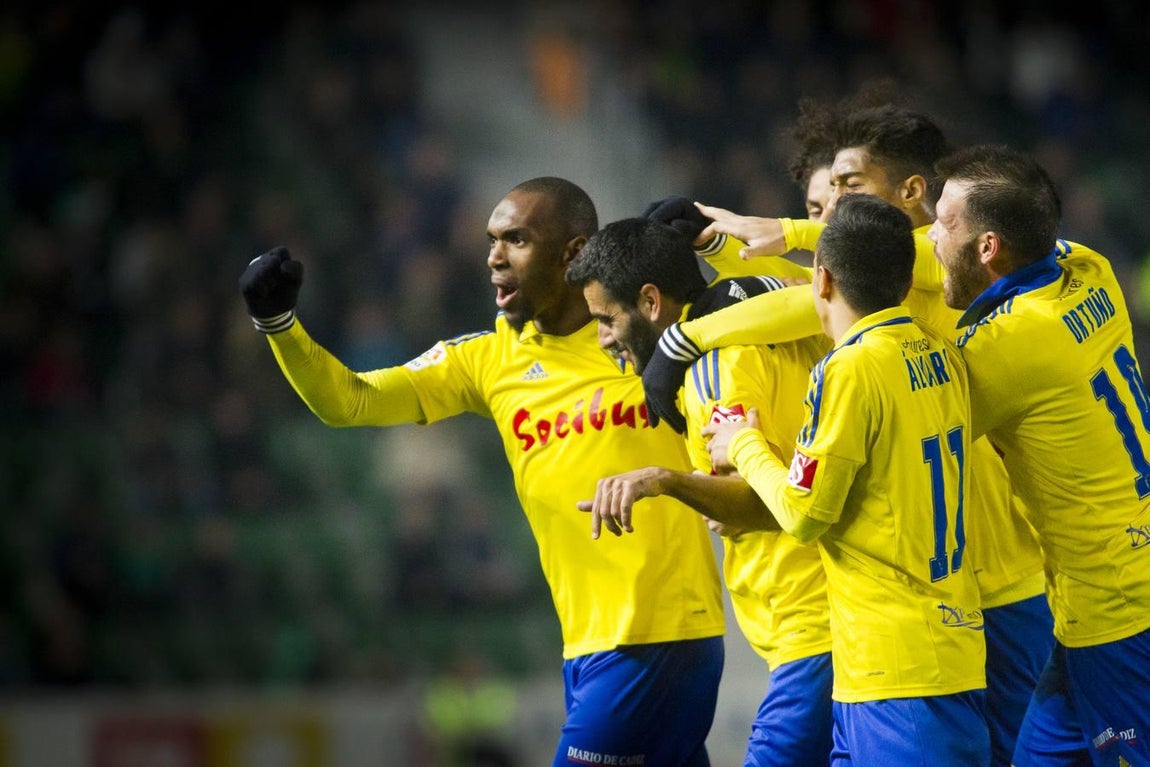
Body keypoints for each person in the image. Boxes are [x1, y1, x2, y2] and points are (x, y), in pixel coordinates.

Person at [238, 177, 726, 767]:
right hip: (588, 645)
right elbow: (353, 401)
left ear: (573, 252)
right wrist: (280, 326)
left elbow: (790, 313)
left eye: (515, 240)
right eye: (492, 240)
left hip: (658, 634)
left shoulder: (645, 332)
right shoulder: (487, 360)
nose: (494, 256)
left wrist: (711, 263)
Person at [646, 102, 1053, 766]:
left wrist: (685, 343)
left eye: (845, 190)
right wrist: (721, 249)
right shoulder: (911, 311)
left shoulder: (943, 288)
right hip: (938, 612)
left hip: (987, 592)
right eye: (815, 202)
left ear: (914, 195)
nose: (824, 216)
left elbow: (807, 296)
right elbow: (801, 292)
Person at [704, 194, 989, 766]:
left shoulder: (851, 368)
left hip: (897, 671)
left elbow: (806, 516)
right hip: (939, 653)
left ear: (822, 278)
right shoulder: (939, 350)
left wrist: (746, 446)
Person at [565, 216, 835, 766]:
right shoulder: (774, 321)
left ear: (649, 301)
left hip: (812, 629)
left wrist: (666, 482)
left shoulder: (711, 369)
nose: (602, 339)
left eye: (605, 319)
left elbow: (765, 504)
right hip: (841, 616)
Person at [928, 144, 1150, 767]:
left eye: (942, 225)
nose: (929, 239)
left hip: (1118, 610)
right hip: (1101, 593)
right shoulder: (1089, 268)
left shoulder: (1008, 349)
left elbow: (901, 428)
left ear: (989, 246)